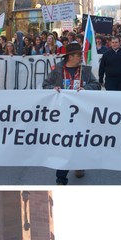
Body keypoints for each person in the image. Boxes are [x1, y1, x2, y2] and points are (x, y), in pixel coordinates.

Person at [42, 42, 101, 185]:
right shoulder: (57, 70)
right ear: (70, 57)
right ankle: (61, 179)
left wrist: (86, 88)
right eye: (78, 55)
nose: (81, 57)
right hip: (62, 114)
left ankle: (79, 164)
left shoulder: (85, 71)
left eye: (81, 54)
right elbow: (45, 84)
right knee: (65, 145)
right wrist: (53, 88)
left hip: (81, 113)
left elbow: (97, 85)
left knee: (80, 141)